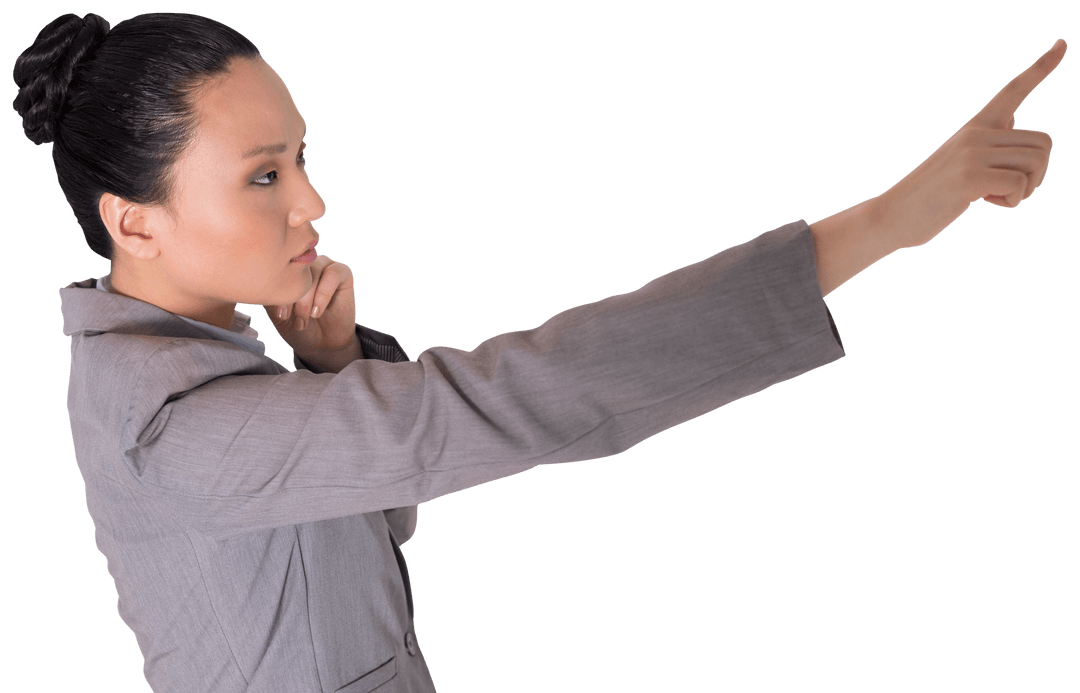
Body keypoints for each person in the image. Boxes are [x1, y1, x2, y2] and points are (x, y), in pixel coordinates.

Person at [13, 10, 1064, 693]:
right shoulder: (176, 432)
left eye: (301, 159)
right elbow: (513, 403)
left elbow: (372, 528)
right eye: (262, 176)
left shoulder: (188, 356)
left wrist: (333, 368)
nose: (314, 202)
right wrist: (880, 224)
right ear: (134, 220)